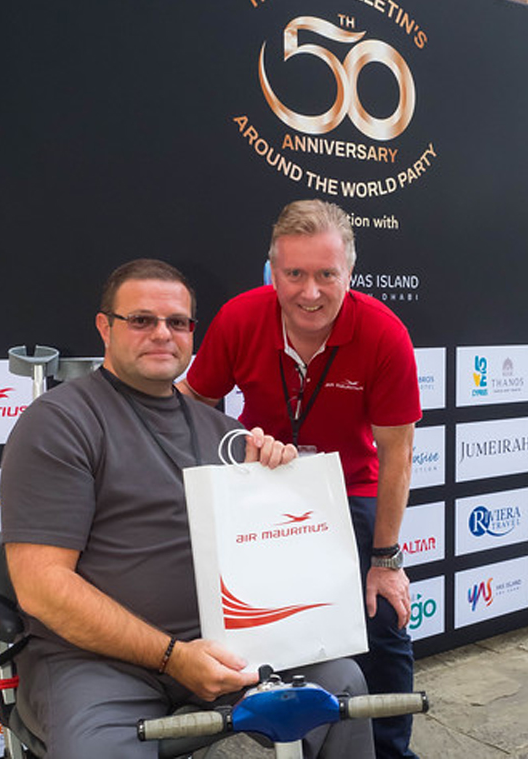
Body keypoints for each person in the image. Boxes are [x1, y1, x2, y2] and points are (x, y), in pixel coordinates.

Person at [0, 258, 374, 759]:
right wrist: (174, 657)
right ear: (105, 328)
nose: (162, 333)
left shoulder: (224, 433)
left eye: (177, 322)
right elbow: (42, 586)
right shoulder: (59, 422)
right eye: (142, 320)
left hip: (226, 646)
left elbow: (266, 555)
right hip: (94, 661)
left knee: (340, 684)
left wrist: (276, 480)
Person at [180, 200, 422, 758]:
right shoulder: (240, 317)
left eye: (326, 275)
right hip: (258, 486)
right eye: (294, 274)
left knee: (382, 620)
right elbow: (192, 401)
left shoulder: (383, 332)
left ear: (349, 274)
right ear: (273, 271)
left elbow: (398, 453)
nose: (310, 292)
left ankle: (390, 751)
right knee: (251, 618)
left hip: (348, 489)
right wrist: (227, 450)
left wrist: (385, 561)